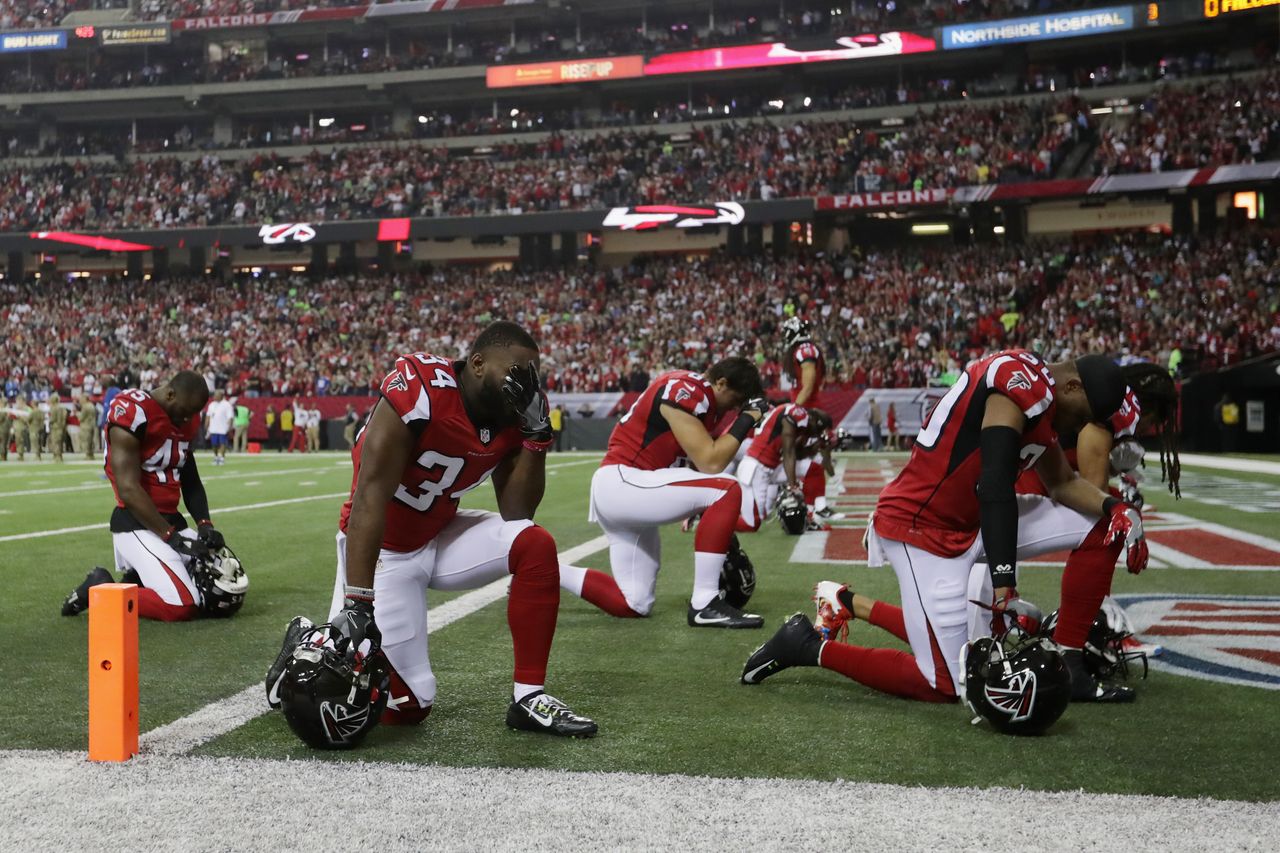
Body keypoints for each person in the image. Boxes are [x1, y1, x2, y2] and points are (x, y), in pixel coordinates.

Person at [742, 351, 1148, 704]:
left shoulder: (1042, 397)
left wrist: (1118, 506)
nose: (1077, 427)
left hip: (974, 520)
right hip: (924, 530)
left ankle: (1071, 661)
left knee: (1106, 525)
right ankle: (806, 646)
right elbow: (994, 482)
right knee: (946, 684)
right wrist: (1004, 585)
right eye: (1081, 416)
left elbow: (1061, 483)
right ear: (1073, 387)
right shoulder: (1019, 377)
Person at [265, 321, 597, 737]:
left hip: (439, 533)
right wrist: (358, 602)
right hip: (384, 550)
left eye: (532, 375)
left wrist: (536, 437)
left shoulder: (514, 415)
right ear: (477, 363)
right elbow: (369, 496)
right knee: (409, 705)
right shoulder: (422, 387)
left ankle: (529, 698)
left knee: (534, 543)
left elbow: (518, 513)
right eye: (516, 371)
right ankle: (307, 642)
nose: (525, 385)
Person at [562, 357, 768, 627]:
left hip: (628, 491)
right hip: (624, 482)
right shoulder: (690, 389)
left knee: (634, 603)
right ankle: (704, 602)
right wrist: (747, 418)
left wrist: (706, 514)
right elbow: (711, 462)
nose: (732, 408)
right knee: (727, 488)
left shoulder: (699, 397)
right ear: (721, 383)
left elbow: (698, 464)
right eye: (735, 400)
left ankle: (542, 571)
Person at [60, 371, 238, 622]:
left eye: (191, 414)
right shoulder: (134, 412)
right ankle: (102, 590)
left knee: (223, 585)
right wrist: (171, 537)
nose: (186, 419)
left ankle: (136, 582)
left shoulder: (185, 419)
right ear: (170, 393)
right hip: (136, 524)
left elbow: (191, 479)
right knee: (183, 605)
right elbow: (128, 490)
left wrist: (205, 524)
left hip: (170, 522)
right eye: (184, 411)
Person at [736, 404, 833, 531]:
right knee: (752, 524)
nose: (814, 435)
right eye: (817, 431)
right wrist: (793, 487)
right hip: (756, 467)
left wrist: (813, 449)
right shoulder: (797, 414)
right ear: (814, 422)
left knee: (813, 468)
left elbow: (797, 454)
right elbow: (789, 453)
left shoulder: (802, 424)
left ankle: (810, 512)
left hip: (772, 466)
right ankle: (719, 517)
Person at [780, 317, 838, 520]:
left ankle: (814, 503)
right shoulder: (805, 349)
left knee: (811, 457)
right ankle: (810, 501)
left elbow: (809, 382)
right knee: (808, 457)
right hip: (806, 408)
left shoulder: (804, 350)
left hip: (807, 410)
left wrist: (795, 409)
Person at [205, 390, 235, 465]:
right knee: (214, 444)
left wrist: (229, 426)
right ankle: (216, 456)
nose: (214, 397)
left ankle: (221, 457)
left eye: (216, 395)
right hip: (213, 428)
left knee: (223, 443)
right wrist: (206, 424)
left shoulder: (227, 404)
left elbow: (230, 417)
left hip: (223, 428)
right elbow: (208, 415)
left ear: (221, 396)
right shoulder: (211, 404)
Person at [47, 395, 67, 462]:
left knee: (55, 442)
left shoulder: (54, 408)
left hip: (55, 427)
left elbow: (52, 419)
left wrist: (48, 420)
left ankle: (57, 457)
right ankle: (60, 456)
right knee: (60, 442)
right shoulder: (62, 408)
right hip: (61, 427)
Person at [79, 393, 99, 458]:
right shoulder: (91, 405)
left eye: (81, 398)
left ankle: (88, 455)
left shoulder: (85, 406)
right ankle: (91, 454)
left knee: (86, 440)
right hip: (92, 425)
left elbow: (81, 418)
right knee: (90, 440)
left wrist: (77, 414)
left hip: (86, 425)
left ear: (85, 399)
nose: (80, 400)